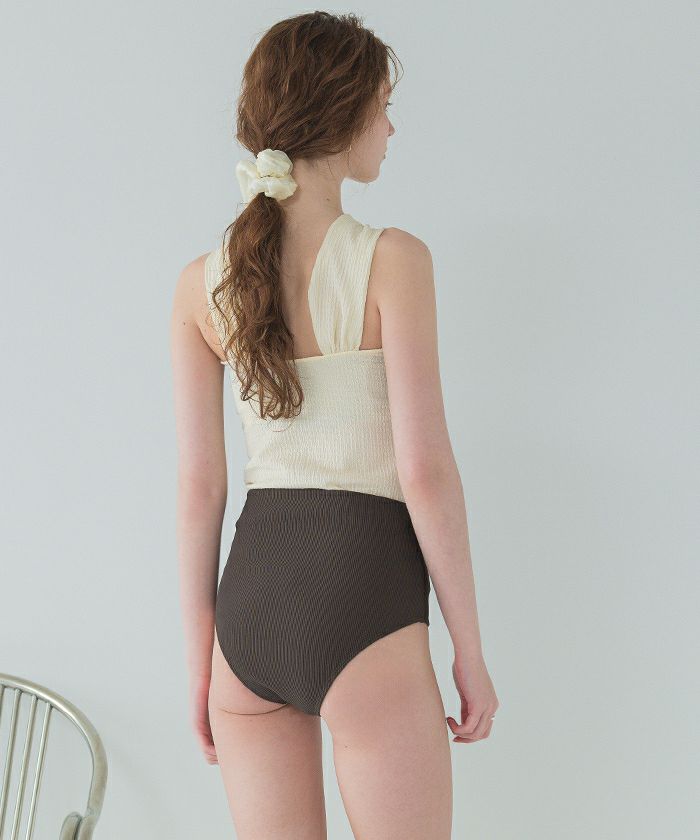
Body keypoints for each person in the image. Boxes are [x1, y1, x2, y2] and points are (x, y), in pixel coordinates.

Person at [170, 11, 499, 839]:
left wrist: (202, 661)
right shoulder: (393, 259)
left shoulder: (200, 285)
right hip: (362, 594)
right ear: (345, 115)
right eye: (383, 107)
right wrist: (468, 649)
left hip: (248, 610)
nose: (390, 128)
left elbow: (199, 489)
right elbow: (425, 472)